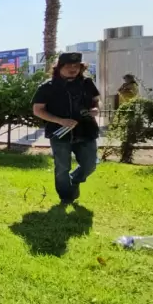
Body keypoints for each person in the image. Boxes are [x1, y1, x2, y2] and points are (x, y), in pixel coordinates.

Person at [32, 52, 101, 205]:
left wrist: (95, 110)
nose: (73, 69)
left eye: (76, 66)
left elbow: (96, 102)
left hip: (86, 131)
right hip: (59, 134)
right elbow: (38, 110)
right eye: (68, 66)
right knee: (62, 168)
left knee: (90, 165)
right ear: (59, 68)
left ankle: (75, 180)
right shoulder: (47, 87)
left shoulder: (87, 83)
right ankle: (66, 197)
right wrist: (60, 120)